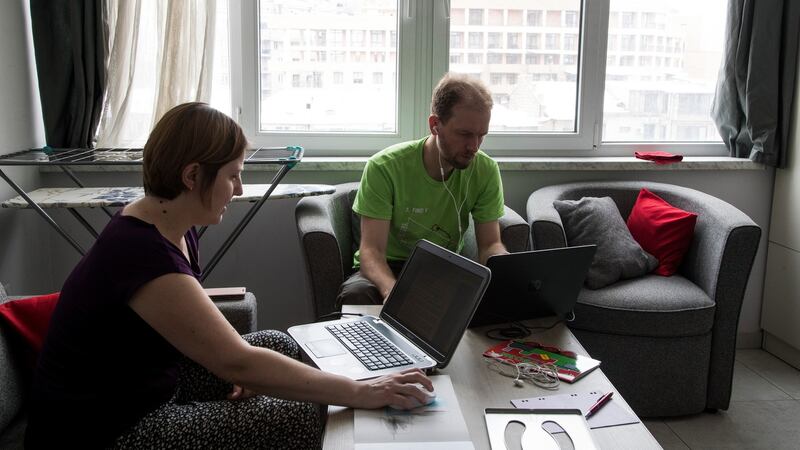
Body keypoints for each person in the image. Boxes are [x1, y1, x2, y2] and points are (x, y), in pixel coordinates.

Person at [25, 102, 433, 449]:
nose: (238, 190)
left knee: (278, 344)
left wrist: (242, 369)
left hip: (142, 385)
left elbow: (212, 346)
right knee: (306, 413)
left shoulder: (170, 224)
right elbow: (236, 361)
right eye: (233, 175)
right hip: (106, 430)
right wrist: (361, 391)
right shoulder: (141, 252)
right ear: (192, 176)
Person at [338, 73, 508, 306]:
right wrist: (392, 293)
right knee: (356, 296)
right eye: (465, 134)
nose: (474, 147)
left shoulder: (485, 170)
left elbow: (490, 244)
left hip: (443, 268)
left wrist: (506, 267)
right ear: (435, 125)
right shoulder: (384, 167)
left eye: (481, 135)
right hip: (387, 267)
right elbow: (372, 253)